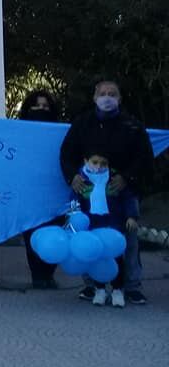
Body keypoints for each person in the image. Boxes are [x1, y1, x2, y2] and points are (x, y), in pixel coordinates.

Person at [60, 80, 154, 305]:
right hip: (88, 196)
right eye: (103, 93)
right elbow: (66, 154)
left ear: (119, 99)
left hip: (121, 195)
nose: (107, 97)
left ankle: (131, 287)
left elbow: (144, 157)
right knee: (87, 239)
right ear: (94, 98)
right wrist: (72, 176)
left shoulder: (132, 126)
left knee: (127, 242)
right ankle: (91, 286)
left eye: (112, 94)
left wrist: (127, 178)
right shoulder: (82, 123)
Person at [76, 151, 139, 307]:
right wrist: (74, 216)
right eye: (95, 162)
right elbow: (74, 199)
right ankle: (99, 289)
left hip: (113, 226)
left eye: (103, 163)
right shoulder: (82, 181)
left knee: (117, 257)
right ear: (86, 161)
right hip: (93, 226)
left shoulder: (115, 180)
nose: (99, 167)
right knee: (97, 258)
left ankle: (118, 290)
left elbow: (128, 198)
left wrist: (131, 216)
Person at [17, 90, 65, 289]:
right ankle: (37, 274)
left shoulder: (62, 131)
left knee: (56, 229)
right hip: (30, 191)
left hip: (56, 189)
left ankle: (49, 273)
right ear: (28, 108)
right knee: (32, 232)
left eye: (45, 106)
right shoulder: (18, 131)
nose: (41, 109)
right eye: (36, 106)